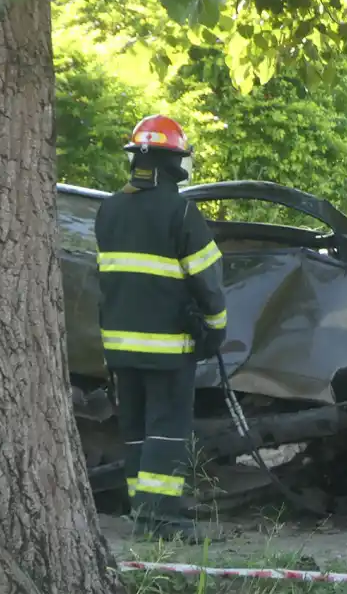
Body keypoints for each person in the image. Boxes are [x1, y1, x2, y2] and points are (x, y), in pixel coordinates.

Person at [94, 114, 227, 544]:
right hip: (169, 346)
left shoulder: (109, 209)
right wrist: (215, 328)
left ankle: (144, 512)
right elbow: (208, 278)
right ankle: (164, 520)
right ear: (174, 164)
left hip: (119, 347)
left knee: (135, 431)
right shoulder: (181, 211)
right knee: (166, 430)